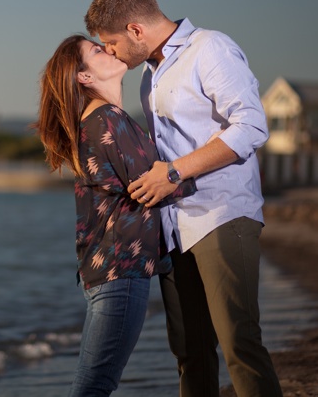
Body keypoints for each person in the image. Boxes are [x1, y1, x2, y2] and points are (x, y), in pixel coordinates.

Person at [84, 0, 283, 397]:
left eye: (112, 43)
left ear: (135, 30)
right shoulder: (149, 76)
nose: (110, 52)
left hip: (221, 215)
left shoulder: (210, 48)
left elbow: (250, 125)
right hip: (174, 229)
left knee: (239, 344)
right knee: (190, 353)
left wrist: (173, 172)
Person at [35, 34, 194, 396]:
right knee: (95, 385)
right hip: (120, 274)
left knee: (94, 383)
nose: (107, 49)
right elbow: (152, 187)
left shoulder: (102, 119)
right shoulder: (107, 120)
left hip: (107, 273)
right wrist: (217, 162)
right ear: (84, 77)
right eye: (96, 50)